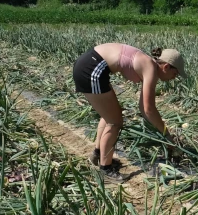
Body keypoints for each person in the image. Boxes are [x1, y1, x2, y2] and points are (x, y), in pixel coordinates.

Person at [71, 43, 186, 177]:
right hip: (91, 69)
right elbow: (148, 109)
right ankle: (105, 170)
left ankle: (98, 154)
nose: (174, 78)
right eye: (175, 73)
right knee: (114, 122)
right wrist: (166, 135)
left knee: (110, 114)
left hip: (89, 64)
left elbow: (144, 108)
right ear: (166, 66)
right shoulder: (150, 69)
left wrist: (161, 130)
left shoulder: (147, 63)